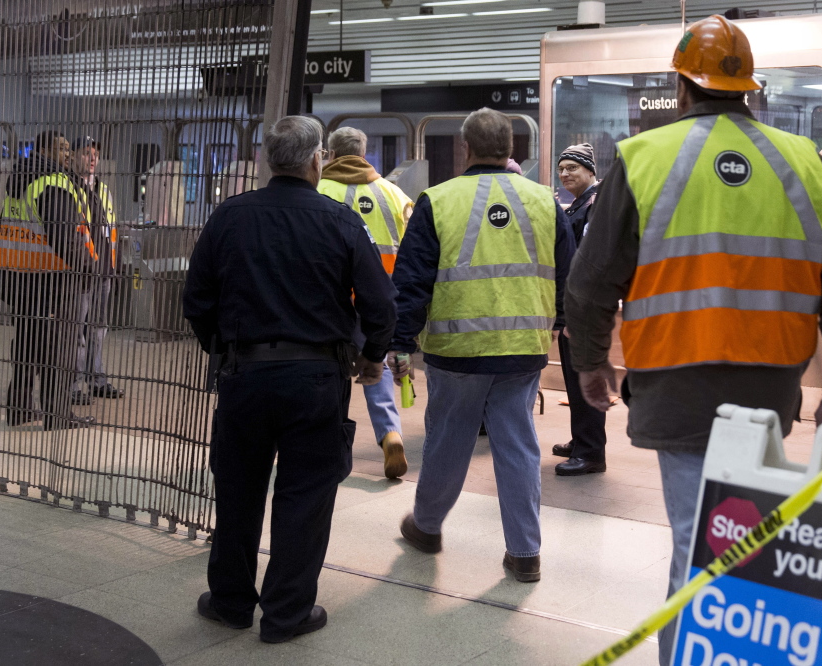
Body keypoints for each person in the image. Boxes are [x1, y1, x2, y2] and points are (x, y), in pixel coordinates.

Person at [563, 16, 822, 665]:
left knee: (698, 542)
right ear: (747, 89)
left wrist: (590, 363)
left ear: (681, 86)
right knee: (738, 538)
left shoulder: (642, 158)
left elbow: (591, 282)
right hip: (768, 385)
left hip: (673, 380)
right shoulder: (801, 162)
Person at [183, 116, 396, 643]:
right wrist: (372, 356)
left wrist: (225, 348)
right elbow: (381, 303)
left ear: (268, 161)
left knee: (237, 489)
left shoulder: (228, 217)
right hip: (317, 379)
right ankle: (286, 614)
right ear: (314, 160)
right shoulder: (341, 222)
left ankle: (231, 603)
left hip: (243, 375)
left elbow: (195, 300)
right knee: (305, 494)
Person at [388, 108, 575, 583]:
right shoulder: (544, 201)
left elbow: (411, 282)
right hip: (524, 348)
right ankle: (525, 553)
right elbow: (569, 272)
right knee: (518, 446)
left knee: (448, 442)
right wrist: (568, 321)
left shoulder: (437, 200)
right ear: (512, 150)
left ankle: (427, 527)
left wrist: (399, 341)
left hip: (456, 352)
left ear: (466, 150)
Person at [317, 126, 413, 479]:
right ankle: (390, 433)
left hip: (332, 298)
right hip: (379, 298)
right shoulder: (395, 194)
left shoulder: (318, 190)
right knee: (380, 365)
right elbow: (413, 254)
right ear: (364, 151)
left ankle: (321, 441)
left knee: (326, 366)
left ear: (329, 153)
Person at [0, 130, 100, 431]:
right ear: (43, 151)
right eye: (61, 148)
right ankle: (57, 414)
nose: (67, 153)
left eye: (67, 147)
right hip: (55, 284)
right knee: (59, 350)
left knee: (27, 346)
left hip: (25, 280)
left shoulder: (21, 181)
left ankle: (20, 408)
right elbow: (66, 237)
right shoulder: (52, 183)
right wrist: (90, 268)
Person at [549, 143, 608, 476]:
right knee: (575, 381)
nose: (564, 174)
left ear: (590, 171)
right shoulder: (577, 206)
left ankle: (591, 453)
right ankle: (581, 440)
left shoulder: (596, 206)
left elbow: (592, 263)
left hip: (583, 311)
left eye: (572, 167)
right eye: (561, 169)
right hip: (572, 308)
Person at [71, 136, 125, 404]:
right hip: (81, 272)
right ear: (73, 157)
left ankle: (96, 380)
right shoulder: (69, 189)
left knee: (98, 328)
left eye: (95, 153)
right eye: (85, 152)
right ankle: (70, 384)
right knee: (76, 330)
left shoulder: (104, 190)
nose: (92, 158)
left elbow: (110, 232)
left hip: (103, 270)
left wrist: (114, 266)